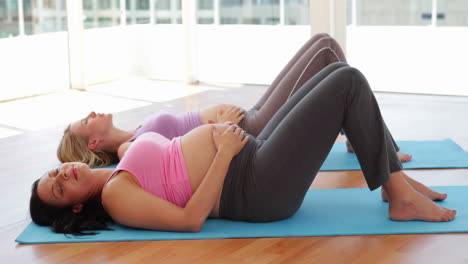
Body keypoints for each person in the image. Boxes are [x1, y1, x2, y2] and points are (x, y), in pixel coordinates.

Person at [30, 63, 455, 236]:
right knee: (348, 84)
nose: (60, 176)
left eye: (53, 174)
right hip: (253, 187)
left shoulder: (121, 159)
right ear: (76, 209)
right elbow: (189, 219)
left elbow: (176, 158)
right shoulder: (115, 196)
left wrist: (217, 133)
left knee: (336, 70)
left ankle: (388, 181)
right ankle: (399, 198)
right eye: (59, 190)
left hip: (251, 154)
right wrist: (222, 154)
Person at [56, 33, 412, 168]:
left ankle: (368, 144)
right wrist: (215, 123)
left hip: (251, 115)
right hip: (254, 129)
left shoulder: (134, 132)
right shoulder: (128, 150)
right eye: (86, 121)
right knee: (326, 51)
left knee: (325, 43)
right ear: (93, 142)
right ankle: (378, 150)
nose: (91, 113)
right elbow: (181, 159)